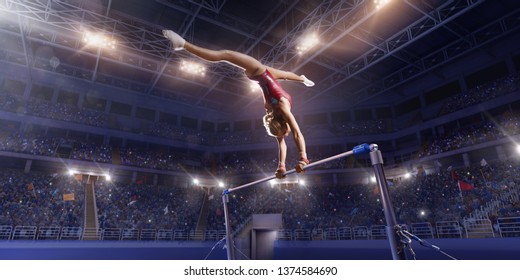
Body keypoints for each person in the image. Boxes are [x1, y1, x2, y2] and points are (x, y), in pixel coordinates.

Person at [163, 29, 315, 179]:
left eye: (283, 134)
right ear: (281, 125)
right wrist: (303, 160)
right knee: (226, 55)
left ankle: (302, 78)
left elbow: (283, 142)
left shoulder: (272, 113)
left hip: (261, 75)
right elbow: (297, 133)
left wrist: (282, 166)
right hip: (261, 72)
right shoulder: (283, 107)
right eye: (284, 133)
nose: (285, 135)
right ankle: (183, 44)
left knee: (285, 75)